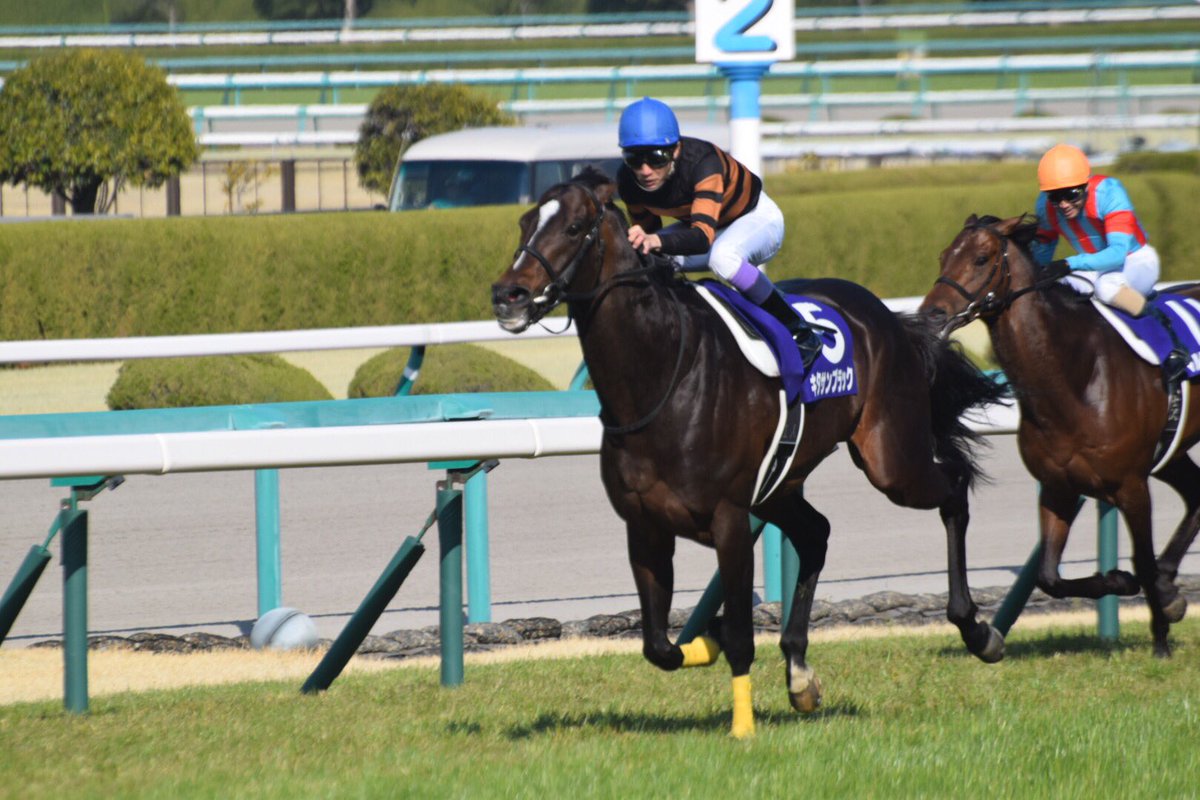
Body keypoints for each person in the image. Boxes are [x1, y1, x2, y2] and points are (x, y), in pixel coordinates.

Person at [615, 97, 823, 368]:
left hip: (757, 219)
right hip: (709, 226)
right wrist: (649, 245)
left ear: (676, 150)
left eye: (656, 158)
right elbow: (654, 243)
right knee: (653, 262)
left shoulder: (704, 163)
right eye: (634, 159)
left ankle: (797, 329)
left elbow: (702, 238)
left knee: (723, 258)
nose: (645, 171)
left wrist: (654, 240)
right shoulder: (628, 181)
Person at [1032, 143, 1186, 382]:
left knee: (1108, 287)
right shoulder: (1045, 207)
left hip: (1135, 260)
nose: (1063, 204)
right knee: (1058, 290)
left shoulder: (1109, 192)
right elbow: (1041, 254)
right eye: (1055, 196)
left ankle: (1171, 345)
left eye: (1071, 194)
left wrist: (1069, 263)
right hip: (1095, 268)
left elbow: (1116, 254)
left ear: (1085, 185)